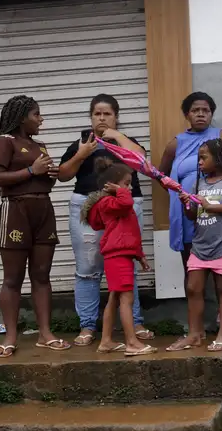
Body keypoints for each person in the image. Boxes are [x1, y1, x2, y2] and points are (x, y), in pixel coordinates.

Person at [58, 94, 154, 346]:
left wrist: (116, 136)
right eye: (97, 114)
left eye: (107, 114)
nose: (101, 118)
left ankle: (135, 322)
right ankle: (87, 326)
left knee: (127, 264)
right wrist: (81, 154)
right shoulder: (81, 144)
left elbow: (141, 161)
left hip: (126, 207)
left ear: (116, 117)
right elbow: (63, 175)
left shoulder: (125, 141)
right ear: (90, 117)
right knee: (87, 269)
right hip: (89, 208)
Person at [0, 95, 71, 357]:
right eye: (36, 114)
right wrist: (32, 171)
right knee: (13, 278)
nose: (41, 120)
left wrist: (51, 175)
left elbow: (44, 181)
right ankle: (10, 337)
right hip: (16, 211)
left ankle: (45, 334)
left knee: (42, 275)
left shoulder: (39, 146)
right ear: (22, 117)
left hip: (43, 210)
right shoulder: (4, 142)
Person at [158, 92, 222, 261]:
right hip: (189, 212)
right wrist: (178, 193)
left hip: (218, 210)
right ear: (187, 115)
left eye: (205, 110)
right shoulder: (176, 144)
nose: (201, 114)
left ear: (211, 114)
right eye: (195, 110)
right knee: (191, 265)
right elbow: (161, 175)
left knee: (220, 263)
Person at [167, 139, 222, 352]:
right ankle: (194, 334)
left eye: (203, 158)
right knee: (193, 288)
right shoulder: (199, 184)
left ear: (218, 159)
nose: (199, 162)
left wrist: (210, 206)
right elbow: (193, 215)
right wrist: (187, 205)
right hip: (200, 246)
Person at [82, 158, 157, 357]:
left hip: (121, 255)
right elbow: (126, 202)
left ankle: (106, 341)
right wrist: (119, 191)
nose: (130, 188)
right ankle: (132, 342)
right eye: (126, 183)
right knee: (127, 299)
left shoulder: (117, 203)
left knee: (115, 297)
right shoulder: (109, 202)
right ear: (112, 185)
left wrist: (140, 255)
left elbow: (130, 233)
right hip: (117, 257)